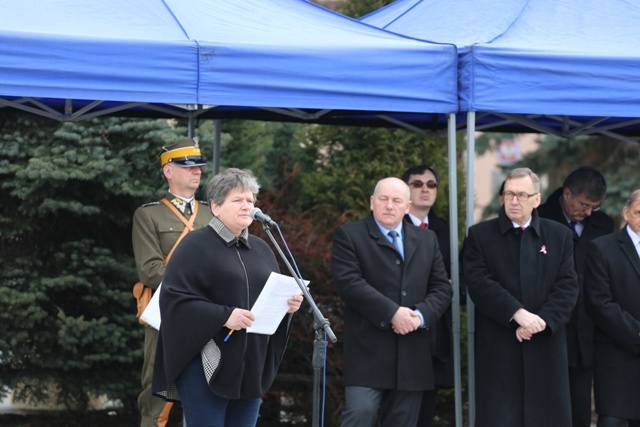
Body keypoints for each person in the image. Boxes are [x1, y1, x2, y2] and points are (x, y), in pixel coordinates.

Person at [152, 167, 303, 426]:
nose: (247, 205)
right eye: (237, 200)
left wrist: (288, 306)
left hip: (250, 366)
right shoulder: (195, 245)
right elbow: (174, 300)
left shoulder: (262, 249)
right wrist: (224, 316)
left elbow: (268, 299)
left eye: (250, 200)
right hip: (206, 363)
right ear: (216, 207)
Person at [331, 177, 453, 427]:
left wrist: (419, 316)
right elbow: (350, 284)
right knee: (360, 414)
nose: (389, 206)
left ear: (407, 207)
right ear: (372, 203)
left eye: (397, 200)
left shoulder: (427, 240)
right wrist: (392, 313)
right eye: (383, 199)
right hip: (368, 352)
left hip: (413, 353)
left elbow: (442, 288)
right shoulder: (350, 235)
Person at [463, 167, 579, 427]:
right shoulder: (480, 235)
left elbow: (568, 285)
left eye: (522, 195)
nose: (514, 201)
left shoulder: (559, 235)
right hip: (501, 346)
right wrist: (518, 314)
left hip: (545, 344)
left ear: (537, 199)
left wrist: (542, 321)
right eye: (509, 194)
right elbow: (479, 283)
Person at [132, 138, 213, 427]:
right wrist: (202, 281)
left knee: (207, 392)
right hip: (167, 311)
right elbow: (150, 270)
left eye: (199, 167)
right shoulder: (149, 214)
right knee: (157, 395)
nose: (197, 172)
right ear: (168, 171)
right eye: (187, 166)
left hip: (208, 314)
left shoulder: (211, 212)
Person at [537, 166, 614, 427]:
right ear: (567, 194)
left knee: (580, 409)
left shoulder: (603, 225)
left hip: (586, 331)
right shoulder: (540, 218)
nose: (589, 212)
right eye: (584, 204)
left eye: (595, 207)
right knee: (546, 406)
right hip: (548, 326)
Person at [401, 164, 452, 426]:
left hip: (434, 332)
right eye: (417, 183)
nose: (425, 189)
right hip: (399, 331)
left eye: (431, 184)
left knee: (424, 413)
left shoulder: (446, 228)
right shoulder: (392, 226)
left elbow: (456, 278)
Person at [584, 189, 640, 427]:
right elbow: (599, 303)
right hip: (617, 358)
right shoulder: (602, 248)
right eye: (639, 212)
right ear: (626, 213)